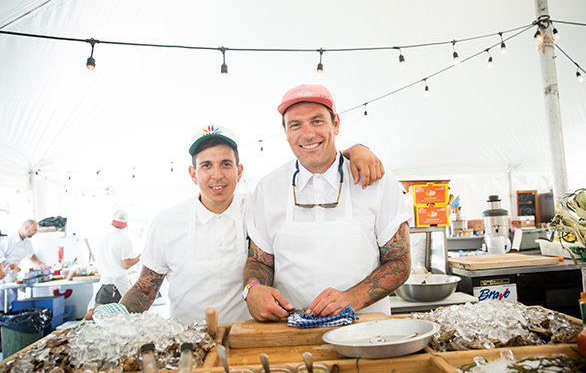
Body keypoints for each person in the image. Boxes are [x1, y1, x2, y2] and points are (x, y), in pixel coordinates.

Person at [86, 123, 383, 324]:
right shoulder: (166, 223)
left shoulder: (260, 204)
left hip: (251, 339)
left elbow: (314, 162)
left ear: (239, 171)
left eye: (226, 164)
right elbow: (146, 288)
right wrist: (116, 314)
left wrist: (355, 149)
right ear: (193, 174)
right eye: (207, 165)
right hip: (190, 345)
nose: (217, 175)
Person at [243, 84, 413, 322]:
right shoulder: (267, 189)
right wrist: (252, 289)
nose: (308, 134)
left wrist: (352, 298)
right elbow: (259, 260)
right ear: (286, 132)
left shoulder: (378, 181)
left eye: (317, 121)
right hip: (288, 332)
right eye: (295, 125)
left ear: (336, 124)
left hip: (367, 331)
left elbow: (400, 261)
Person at [0, 220, 49, 310]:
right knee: (2, 304)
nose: (35, 233)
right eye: (34, 230)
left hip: (13, 274)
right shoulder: (9, 239)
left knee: (12, 303)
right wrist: (10, 266)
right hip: (3, 273)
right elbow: (1, 256)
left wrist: (40, 264)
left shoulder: (27, 242)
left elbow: (31, 255)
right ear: (26, 228)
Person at [95, 210, 141, 304]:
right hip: (118, 285)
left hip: (104, 284)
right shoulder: (124, 239)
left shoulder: (105, 239)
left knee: (103, 315)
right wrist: (141, 256)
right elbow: (126, 264)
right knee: (127, 313)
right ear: (126, 223)